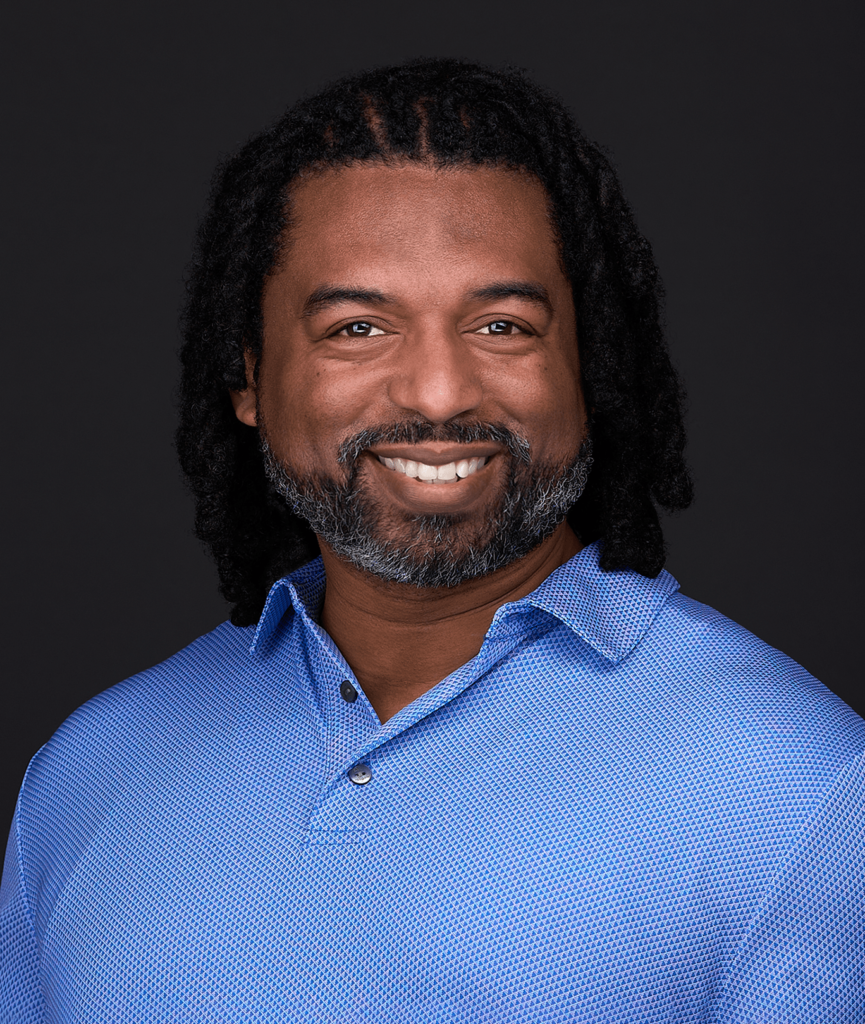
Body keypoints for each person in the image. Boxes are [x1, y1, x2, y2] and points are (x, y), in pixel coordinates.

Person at [1, 57, 862, 1023]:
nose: (439, 392)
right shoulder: (87, 771)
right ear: (247, 379)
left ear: (589, 365)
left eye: (501, 324)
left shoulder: (799, 789)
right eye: (358, 328)